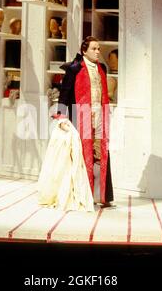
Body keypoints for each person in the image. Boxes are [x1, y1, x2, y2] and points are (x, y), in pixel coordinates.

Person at [57, 36, 114, 208]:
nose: (97, 52)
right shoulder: (74, 69)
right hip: (81, 116)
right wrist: (61, 115)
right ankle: (82, 194)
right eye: (94, 49)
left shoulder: (101, 68)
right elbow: (65, 93)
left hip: (99, 116)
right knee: (83, 155)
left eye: (98, 49)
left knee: (100, 154)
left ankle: (101, 195)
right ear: (84, 51)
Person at [37, 117, 94, 212]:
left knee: (67, 171)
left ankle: (70, 195)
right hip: (65, 145)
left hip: (69, 141)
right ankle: (64, 195)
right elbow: (63, 124)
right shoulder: (64, 123)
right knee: (64, 171)